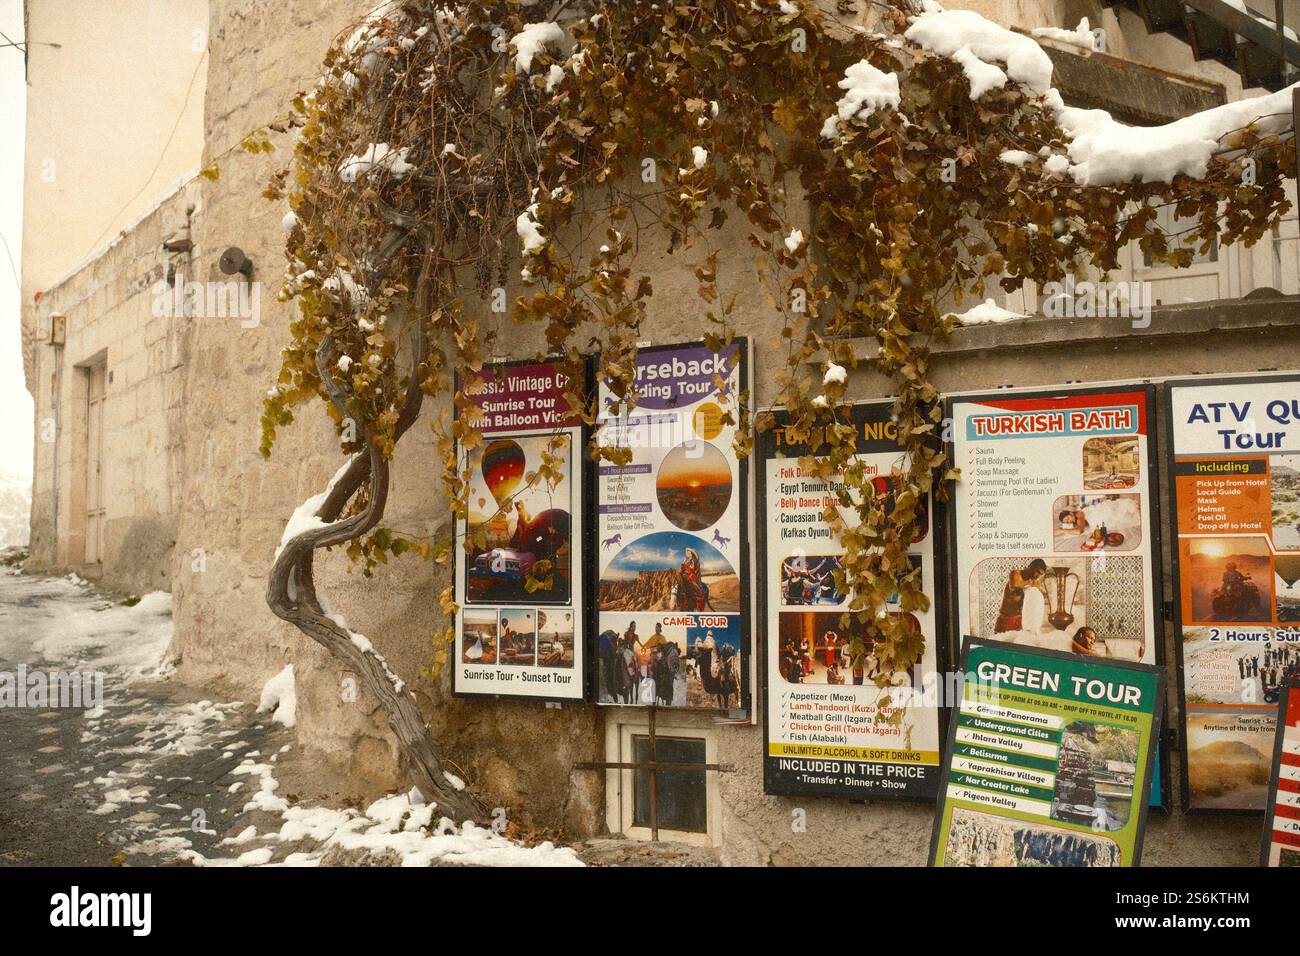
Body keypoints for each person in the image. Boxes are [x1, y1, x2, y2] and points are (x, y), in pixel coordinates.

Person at [995, 559, 1048, 633]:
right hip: (1006, 618)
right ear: (1031, 566)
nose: (1038, 576)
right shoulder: (1016, 574)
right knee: (998, 644)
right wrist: (1031, 584)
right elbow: (1015, 589)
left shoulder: (1033, 582)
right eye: (1038, 572)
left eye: (1040, 575)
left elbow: (1043, 595)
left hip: (1019, 620)